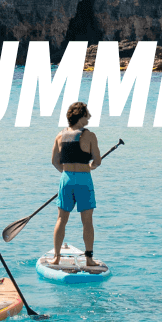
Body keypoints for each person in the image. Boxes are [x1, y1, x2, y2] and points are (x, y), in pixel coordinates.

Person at [51, 102, 102, 266]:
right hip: (84, 180)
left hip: (66, 179)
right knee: (87, 221)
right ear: (80, 117)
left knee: (61, 219)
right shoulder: (90, 136)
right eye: (87, 114)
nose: (90, 117)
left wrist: (67, 174)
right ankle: (88, 258)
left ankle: (57, 257)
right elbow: (97, 161)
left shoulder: (59, 136)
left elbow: (54, 161)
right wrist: (89, 167)